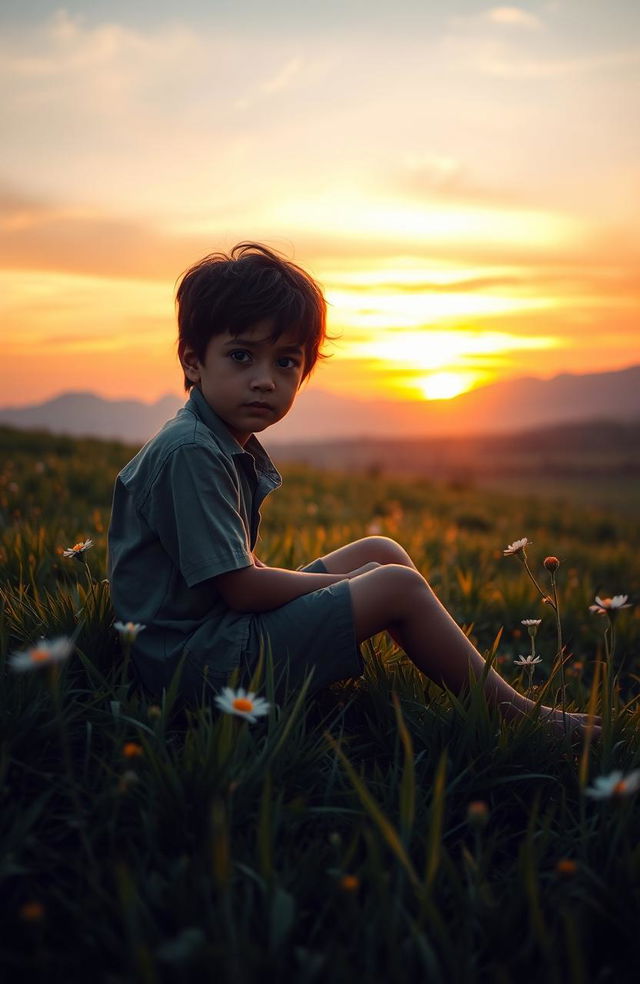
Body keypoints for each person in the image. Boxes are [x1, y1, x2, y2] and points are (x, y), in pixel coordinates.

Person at [108, 242, 598, 736]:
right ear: (194, 363)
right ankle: (523, 720)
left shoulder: (214, 440)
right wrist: (349, 586)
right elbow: (241, 588)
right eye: (241, 356)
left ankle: (458, 677)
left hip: (214, 639)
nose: (264, 380)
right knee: (394, 584)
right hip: (194, 669)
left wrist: (353, 581)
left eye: (285, 362)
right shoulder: (191, 451)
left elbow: (237, 570)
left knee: (380, 550)